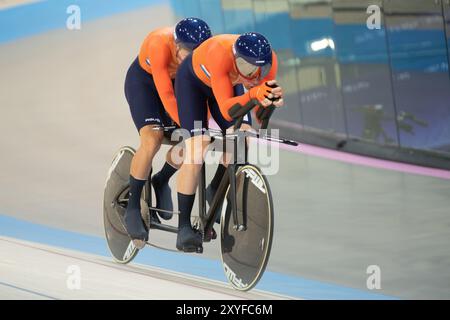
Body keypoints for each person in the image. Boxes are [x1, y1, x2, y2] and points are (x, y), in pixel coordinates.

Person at [174, 32, 284, 252]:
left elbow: (259, 112)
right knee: (197, 146)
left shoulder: (266, 65)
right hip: (194, 83)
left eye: (259, 69)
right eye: (245, 66)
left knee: (243, 136)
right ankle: (184, 226)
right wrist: (254, 93)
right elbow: (226, 109)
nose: (252, 74)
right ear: (235, 58)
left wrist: (269, 103)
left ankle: (215, 187)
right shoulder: (221, 55)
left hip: (229, 81)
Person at [124, 18, 212, 249]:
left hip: (177, 83)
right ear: (176, 45)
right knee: (152, 139)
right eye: (187, 52)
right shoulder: (159, 44)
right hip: (146, 84)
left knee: (190, 141)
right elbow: (166, 95)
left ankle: (161, 179)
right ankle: (133, 207)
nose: (192, 57)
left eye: (198, 52)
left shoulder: (202, 55)